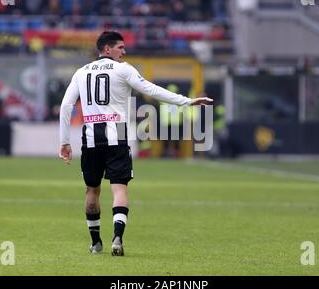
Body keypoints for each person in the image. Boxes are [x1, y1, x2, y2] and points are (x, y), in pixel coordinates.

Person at [59, 31, 213, 256]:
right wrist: (187, 101)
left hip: (91, 138)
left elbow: (66, 106)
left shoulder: (81, 73)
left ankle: (95, 243)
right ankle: (117, 238)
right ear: (107, 49)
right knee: (119, 189)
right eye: (120, 47)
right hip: (118, 135)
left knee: (92, 190)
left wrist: (64, 142)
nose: (124, 51)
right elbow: (151, 89)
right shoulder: (124, 69)